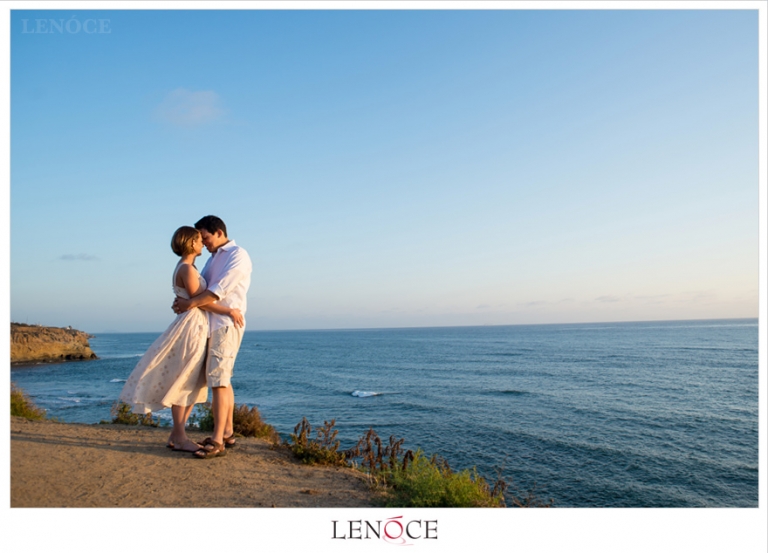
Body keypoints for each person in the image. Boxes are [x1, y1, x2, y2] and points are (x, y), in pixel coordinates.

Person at [119, 226, 243, 453]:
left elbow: (193, 299)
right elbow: (200, 301)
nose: (202, 243)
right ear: (190, 243)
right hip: (192, 327)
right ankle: (180, 435)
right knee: (184, 379)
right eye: (199, 239)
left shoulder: (192, 267)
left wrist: (188, 303)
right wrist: (229, 311)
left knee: (190, 380)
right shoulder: (187, 269)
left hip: (197, 324)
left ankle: (179, 434)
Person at [173, 215, 252, 459]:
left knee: (218, 380)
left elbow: (217, 291)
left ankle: (218, 440)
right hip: (211, 325)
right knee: (223, 379)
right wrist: (189, 302)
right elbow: (201, 290)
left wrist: (189, 303)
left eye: (205, 237)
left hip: (225, 324)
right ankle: (227, 432)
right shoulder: (212, 258)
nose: (203, 242)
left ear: (218, 232)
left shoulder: (237, 255)